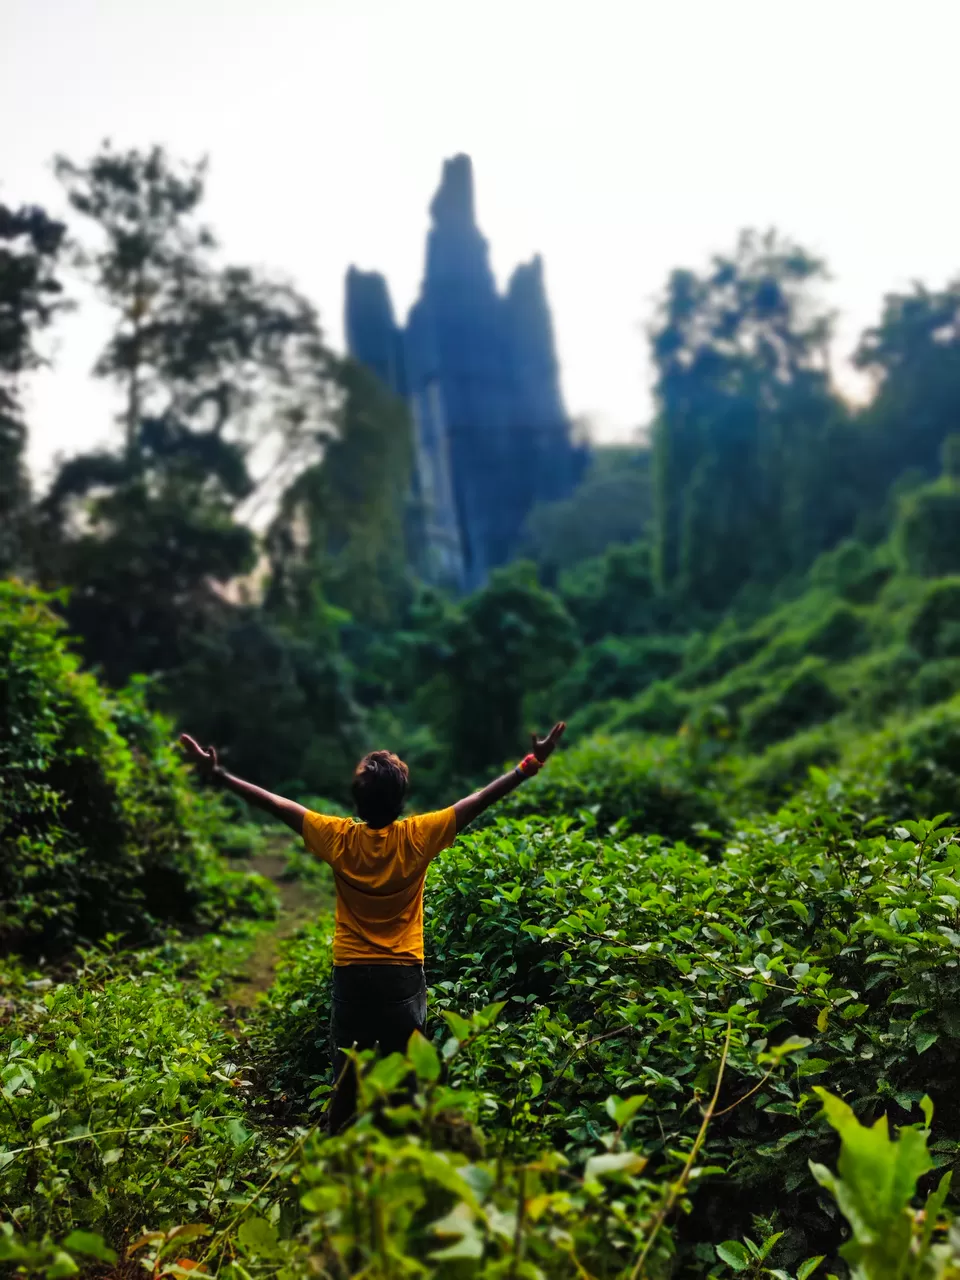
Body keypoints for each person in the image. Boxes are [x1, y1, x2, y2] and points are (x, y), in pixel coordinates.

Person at [178, 722, 566, 1133]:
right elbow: (480, 799)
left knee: (346, 1078)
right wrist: (530, 764)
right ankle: (404, 1154)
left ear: (357, 799)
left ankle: (335, 1153)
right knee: (408, 1080)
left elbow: (276, 804)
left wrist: (219, 776)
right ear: (400, 799)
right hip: (402, 973)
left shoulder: (337, 837)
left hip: (352, 973)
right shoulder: (419, 836)